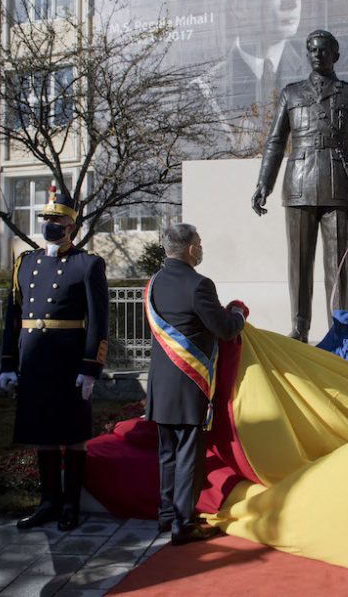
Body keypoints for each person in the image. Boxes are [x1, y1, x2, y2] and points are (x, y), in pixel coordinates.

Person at [251, 29, 348, 342]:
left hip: (338, 182)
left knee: (337, 266)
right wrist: (263, 184)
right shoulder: (291, 93)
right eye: (311, 49)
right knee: (299, 264)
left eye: (324, 50)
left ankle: (339, 327)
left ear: (335, 55)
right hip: (298, 183)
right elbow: (274, 142)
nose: (317, 54)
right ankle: (299, 328)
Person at [0, 187, 110, 531]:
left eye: (57, 218)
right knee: (42, 433)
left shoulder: (87, 264)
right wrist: (7, 363)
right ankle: (48, 502)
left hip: (68, 361)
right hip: (34, 361)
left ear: (71, 225)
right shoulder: (25, 262)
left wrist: (90, 367)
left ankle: (70, 505)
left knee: (72, 434)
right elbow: (13, 316)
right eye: (45, 218)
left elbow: (99, 320)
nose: (49, 223)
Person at [145, 224, 246, 545]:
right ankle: (183, 524)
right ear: (190, 248)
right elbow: (224, 328)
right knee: (189, 455)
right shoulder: (199, 285)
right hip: (190, 384)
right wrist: (239, 313)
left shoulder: (153, 284)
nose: (201, 249)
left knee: (167, 454)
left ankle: (165, 515)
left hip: (161, 386)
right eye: (199, 244)